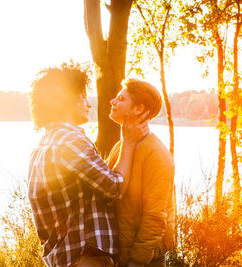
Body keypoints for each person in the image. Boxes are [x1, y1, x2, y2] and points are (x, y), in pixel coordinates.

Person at [27, 63, 149, 267]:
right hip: (85, 258)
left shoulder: (41, 147)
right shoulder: (71, 141)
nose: (88, 104)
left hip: (63, 259)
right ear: (69, 100)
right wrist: (127, 142)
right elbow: (114, 187)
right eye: (83, 96)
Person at [107, 78, 175, 267]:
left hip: (144, 262)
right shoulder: (122, 147)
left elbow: (155, 217)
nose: (113, 101)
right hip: (120, 258)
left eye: (121, 99)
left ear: (138, 108)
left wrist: (136, 262)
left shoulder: (157, 154)